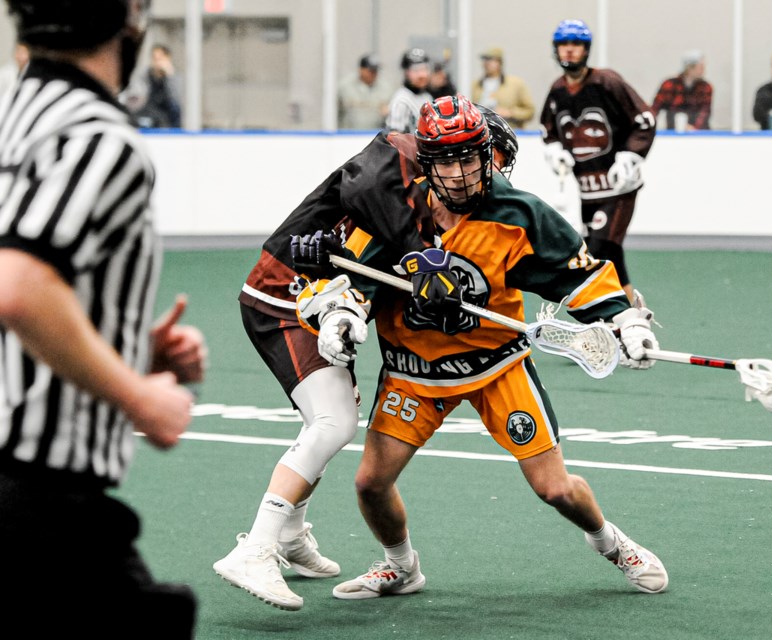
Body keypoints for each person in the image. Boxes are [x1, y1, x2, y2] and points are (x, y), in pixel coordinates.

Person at [327, 94, 667, 600]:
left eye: (469, 157)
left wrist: (622, 319)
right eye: (447, 160)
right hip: (414, 373)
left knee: (554, 488)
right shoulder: (396, 208)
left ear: (487, 154)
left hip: (497, 367)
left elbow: (576, 277)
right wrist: (344, 311)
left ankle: (614, 544)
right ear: (427, 162)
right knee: (370, 484)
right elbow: (355, 275)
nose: (461, 173)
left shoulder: (517, 212)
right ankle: (401, 567)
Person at [212, 97, 520, 612]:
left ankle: (288, 535)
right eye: (482, 162)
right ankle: (258, 547)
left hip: (324, 299)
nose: (482, 178)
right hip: (292, 296)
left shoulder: (440, 200)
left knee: (324, 419)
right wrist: (417, 256)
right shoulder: (399, 154)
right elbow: (364, 184)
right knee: (333, 423)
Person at [0, 0, 208, 636]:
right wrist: (137, 394)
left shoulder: (15, 117)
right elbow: (19, 286)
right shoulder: (97, 136)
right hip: (38, 499)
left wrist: (121, 348)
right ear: (128, 21)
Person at [539, 19, 657, 304]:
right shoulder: (557, 91)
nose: (569, 51)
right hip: (588, 190)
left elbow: (644, 120)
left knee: (599, 251)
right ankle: (634, 317)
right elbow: (549, 130)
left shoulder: (607, 82)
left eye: (575, 44)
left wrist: (630, 156)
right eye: (563, 45)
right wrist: (556, 151)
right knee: (610, 255)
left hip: (618, 189)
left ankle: (613, 321)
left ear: (586, 49)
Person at [470, 46, 535, 130]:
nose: (487, 63)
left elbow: (530, 111)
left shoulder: (515, 84)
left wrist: (511, 113)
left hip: (510, 131)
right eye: (485, 60)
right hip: (482, 132)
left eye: (490, 59)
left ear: (499, 62)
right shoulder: (475, 85)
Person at [652, 49, 713, 131]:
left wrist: (694, 128)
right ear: (690, 67)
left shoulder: (706, 87)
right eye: (700, 66)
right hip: (671, 131)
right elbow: (655, 108)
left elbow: (705, 112)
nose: (703, 69)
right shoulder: (669, 85)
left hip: (697, 133)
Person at [132, 43, 182, 128]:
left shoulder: (175, 78)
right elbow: (138, 98)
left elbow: (178, 100)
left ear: (168, 59)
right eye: (154, 59)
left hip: (168, 119)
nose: (157, 62)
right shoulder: (145, 75)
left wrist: (170, 76)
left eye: (160, 59)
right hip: (148, 114)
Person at [337, 53, 392, 130]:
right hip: (348, 136)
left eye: (375, 71)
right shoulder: (345, 86)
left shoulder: (386, 88)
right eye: (370, 70)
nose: (374, 74)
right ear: (361, 69)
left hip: (375, 135)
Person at [385, 47, 432, 134]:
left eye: (424, 69)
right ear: (406, 72)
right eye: (415, 70)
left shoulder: (427, 97)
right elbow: (394, 137)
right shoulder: (401, 100)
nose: (422, 75)